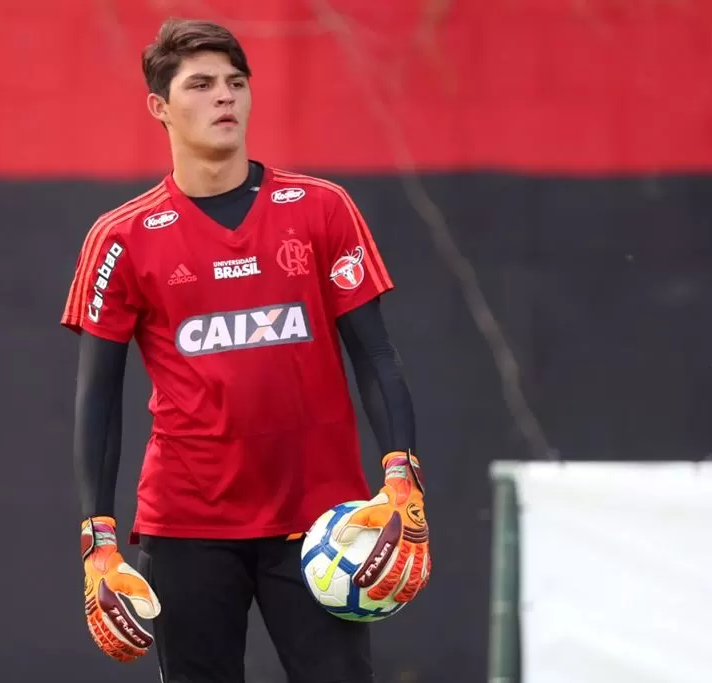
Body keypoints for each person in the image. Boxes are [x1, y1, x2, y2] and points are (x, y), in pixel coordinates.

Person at [61, 17, 431, 683]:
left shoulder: (322, 209)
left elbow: (377, 356)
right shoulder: (122, 237)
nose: (224, 97)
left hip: (322, 524)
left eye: (236, 82)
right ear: (160, 107)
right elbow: (97, 398)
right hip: (187, 526)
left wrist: (401, 476)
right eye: (200, 85)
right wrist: (98, 540)